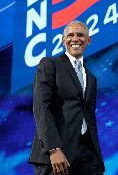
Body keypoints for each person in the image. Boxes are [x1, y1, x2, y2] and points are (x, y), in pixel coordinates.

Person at [29, 20, 105, 175]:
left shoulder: (91, 78)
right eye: (70, 35)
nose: (75, 39)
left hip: (87, 156)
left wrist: (96, 156)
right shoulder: (50, 64)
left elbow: (88, 117)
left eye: (80, 35)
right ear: (63, 41)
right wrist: (53, 148)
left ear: (88, 40)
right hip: (58, 153)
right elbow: (41, 107)